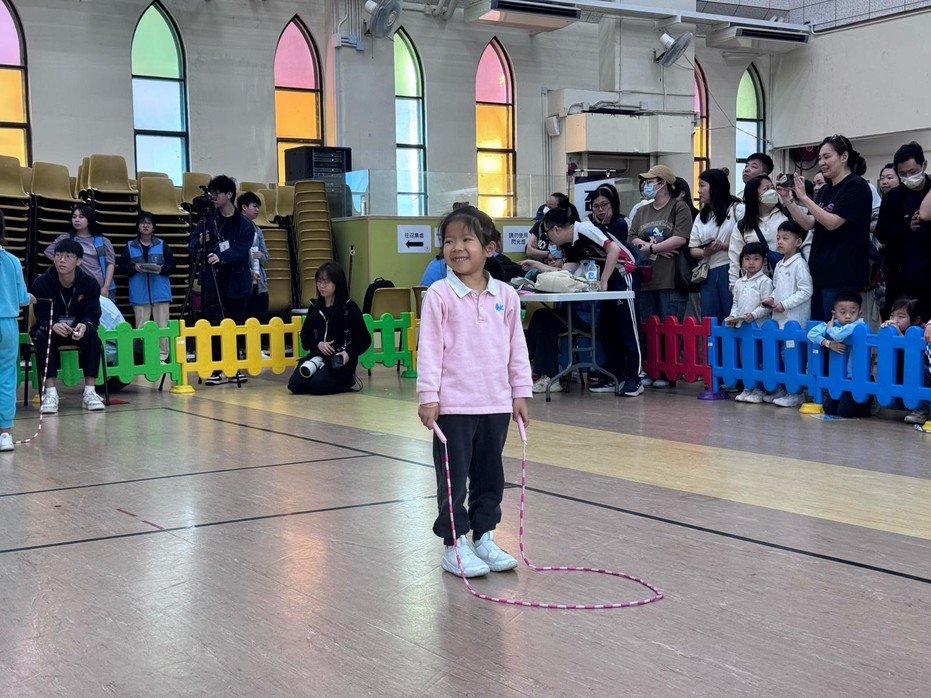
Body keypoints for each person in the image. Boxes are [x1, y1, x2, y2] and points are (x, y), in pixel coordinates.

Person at [417, 205, 531, 578]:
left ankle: (484, 537)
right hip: (453, 407)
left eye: (467, 239)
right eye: (449, 241)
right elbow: (429, 350)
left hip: (495, 404)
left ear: (490, 248)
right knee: (453, 479)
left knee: (490, 476)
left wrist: (520, 392)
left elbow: (517, 348)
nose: (457, 248)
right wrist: (428, 396)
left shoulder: (506, 296)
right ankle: (455, 545)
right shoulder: (439, 295)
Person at [530, 208, 644, 396]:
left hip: (625, 274)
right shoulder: (573, 245)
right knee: (609, 328)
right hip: (608, 280)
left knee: (628, 327)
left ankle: (635, 377)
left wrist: (604, 280)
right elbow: (566, 272)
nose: (548, 240)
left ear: (556, 229)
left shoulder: (585, 229)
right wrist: (538, 265)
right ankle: (615, 376)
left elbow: (614, 250)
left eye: (547, 234)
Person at [783, 134, 872, 321]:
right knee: (819, 330)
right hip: (820, 271)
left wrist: (804, 198)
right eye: (820, 158)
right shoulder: (825, 189)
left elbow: (832, 223)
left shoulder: (856, 186)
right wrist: (788, 199)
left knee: (838, 331)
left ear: (844, 156)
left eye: (826, 157)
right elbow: (808, 223)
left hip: (843, 273)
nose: (821, 163)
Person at [627, 165, 692, 388]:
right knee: (649, 327)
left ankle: (669, 372)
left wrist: (653, 248)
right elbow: (632, 237)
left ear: (662, 183)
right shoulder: (642, 211)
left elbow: (681, 238)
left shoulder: (678, 207)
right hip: (647, 278)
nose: (646, 185)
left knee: (669, 325)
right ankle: (651, 368)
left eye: (650, 181)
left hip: (670, 278)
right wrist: (649, 248)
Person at [189, 175, 255, 385]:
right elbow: (192, 247)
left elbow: (242, 249)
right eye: (212, 193)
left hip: (237, 281)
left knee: (235, 324)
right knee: (214, 323)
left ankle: (234, 367)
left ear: (229, 194)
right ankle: (216, 368)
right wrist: (200, 241)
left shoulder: (244, 224)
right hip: (213, 280)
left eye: (217, 193)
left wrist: (222, 256)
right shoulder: (207, 221)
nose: (213, 197)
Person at [30, 239, 106, 414]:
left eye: (68, 256)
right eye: (58, 255)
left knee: (94, 339)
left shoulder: (89, 284)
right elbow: (40, 314)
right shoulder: (41, 283)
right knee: (43, 338)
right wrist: (52, 324)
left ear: (78, 261)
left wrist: (85, 325)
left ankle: (90, 392)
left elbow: (93, 314)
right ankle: (50, 393)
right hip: (52, 330)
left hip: (78, 330)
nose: (61, 260)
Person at [287, 262, 370, 395]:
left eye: (326, 282)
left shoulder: (349, 308)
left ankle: (346, 380)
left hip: (338, 360)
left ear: (337, 283)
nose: (321, 286)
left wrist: (348, 352)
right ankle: (319, 376)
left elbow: (364, 339)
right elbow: (305, 337)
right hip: (316, 357)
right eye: (319, 282)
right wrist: (318, 344)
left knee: (318, 386)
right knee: (294, 386)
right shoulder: (314, 308)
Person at [874, 142, 931, 321]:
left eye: (913, 172)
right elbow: (881, 232)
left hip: (928, 272)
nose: (909, 177)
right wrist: (906, 227)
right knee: (898, 325)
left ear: (924, 165)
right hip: (900, 274)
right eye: (903, 174)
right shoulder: (893, 197)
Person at [762, 220, 813, 407]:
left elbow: (806, 290)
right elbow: (777, 288)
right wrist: (771, 298)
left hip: (794, 320)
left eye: (785, 238)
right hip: (780, 319)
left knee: (792, 356)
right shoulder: (779, 265)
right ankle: (783, 389)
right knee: (781, 356)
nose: (780, 241)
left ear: (798, 242)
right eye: (778, 238)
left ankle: (796, 393)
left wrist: (785, 304)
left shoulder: (799, 264)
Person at [0, 210, 35, 451]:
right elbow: (22, 298)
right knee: (6, 376)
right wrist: (30, 297)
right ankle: (5, 434)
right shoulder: (12, 260)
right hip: (8, 325)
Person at [118, 211, 175, 357]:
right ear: (138, 226)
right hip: (139, 294)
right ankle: (142, 357)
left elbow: (172, 267)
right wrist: (134, 268)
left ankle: (163, 356)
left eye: (149, 223)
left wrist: (161, 269)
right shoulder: (130, 246)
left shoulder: (162, 244)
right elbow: (122, 268)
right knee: (141, 328)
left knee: (162, 327)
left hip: (160, 293)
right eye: (142, 223)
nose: (145, 226)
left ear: (153, 227)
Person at [807, 290, 871, 418]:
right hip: (838, 375)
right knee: (829, 408)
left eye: (853, 312)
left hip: (856, 375)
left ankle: (868, 404)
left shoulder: (858, 325)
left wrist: (829, 329)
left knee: (845, 411)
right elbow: (811, 334)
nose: (848, 316)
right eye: (843, 312)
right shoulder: (833, 324)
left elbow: (838, 335)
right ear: (834, 313)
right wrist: (828, 343)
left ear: (859, 313)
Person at [689, 169, 741, 323]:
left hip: (731, 268)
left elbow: (748, 243)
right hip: (707, 272)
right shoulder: (701, 216)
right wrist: (706, 252)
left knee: (731, 316)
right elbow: (693, 249)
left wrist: (723, 246)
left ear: (716, 187)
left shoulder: (737, 209)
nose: (699, 190)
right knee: (710, 319)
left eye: (702, 185)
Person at [725, 242, 773, 403]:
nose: (751, 262)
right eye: (747, 259)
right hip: (742, 327)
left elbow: (766, 306)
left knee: (759, 359)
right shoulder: (739, 283)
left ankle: (759, 389)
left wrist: (754, 314)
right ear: (742, 261)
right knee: (746, 358)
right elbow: (736, 303)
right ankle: (748, 386)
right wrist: (733, 316)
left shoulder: (765, 281)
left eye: (756, 259)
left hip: (759, 327)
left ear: (763, 261)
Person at [44, 203, 116, 299]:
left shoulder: (103, 241)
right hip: (77, 287)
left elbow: (110, 264)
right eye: (74, 217)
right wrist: (66, 262)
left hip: (101, 286)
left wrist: (106, 287)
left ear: (89, 220)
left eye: (81, 217)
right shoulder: (66, 238)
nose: (77, 220)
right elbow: (48, 252)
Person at [729, 175, 788, 288]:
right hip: (755, 286)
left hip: (785, 280)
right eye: (766, 189)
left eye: (772, 188)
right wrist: (734, 286)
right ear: (754, 195)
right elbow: (735, 259)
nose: (772, 192)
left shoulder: (786, 216)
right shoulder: (742, 226)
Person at [879, 296, 927, 425]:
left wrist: (900, 336)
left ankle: (923, 410)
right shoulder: (892, 331)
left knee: (922, 371)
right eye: (892, 315)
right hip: (903, 380)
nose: (894, 320)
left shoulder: (923, 333)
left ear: (915, 320)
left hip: (923, 376)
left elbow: (916, 358)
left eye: (901, 316)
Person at [236, 192, 270, 325]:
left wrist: (261, 256)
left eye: (258, 207)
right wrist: (247, 271)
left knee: (260, 317)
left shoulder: (258, 230)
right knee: (243, 320)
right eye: (254, 206)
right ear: (244, 207)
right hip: (242, 282)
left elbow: (266, 257)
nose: (257, 210)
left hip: (259, 282)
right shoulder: (235, 228)